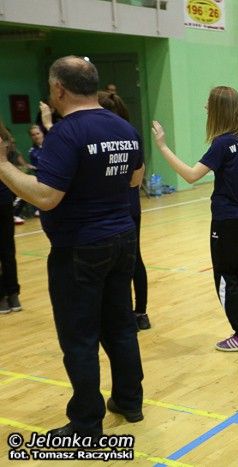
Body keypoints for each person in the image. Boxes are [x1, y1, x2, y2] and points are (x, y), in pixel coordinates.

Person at [0, 55, 146, 438]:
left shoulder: (66, 133)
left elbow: (46, 197)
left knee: (79, 337)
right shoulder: (124, 127)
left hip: (80, 247)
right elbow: (135, 179)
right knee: (120, 326)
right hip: (122, 239)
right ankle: (129, 401)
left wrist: (3, 165)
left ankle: (85, 423)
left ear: (59, 89)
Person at [151, 85, 238, 351]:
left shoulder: (222, 143)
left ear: (219, 110)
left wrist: (162, 147)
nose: (205, 108)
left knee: (225, 275)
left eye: (209, 104)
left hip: (226, 220)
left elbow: (191, 176)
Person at [98, 91, 151, 331]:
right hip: (131, 204)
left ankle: (123, 314)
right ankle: (140, 313)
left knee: (113, 262)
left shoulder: (99, 137)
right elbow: (137, 177)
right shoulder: (131, 134)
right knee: (133, 258)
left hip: (114, 206)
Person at [0, 122, 20, 313]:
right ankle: (12, 295)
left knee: (6, 250)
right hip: (5, 199)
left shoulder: (5, 140)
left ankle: (6, 296)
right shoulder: (6, 139)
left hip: (3, 198)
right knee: (7, 249)